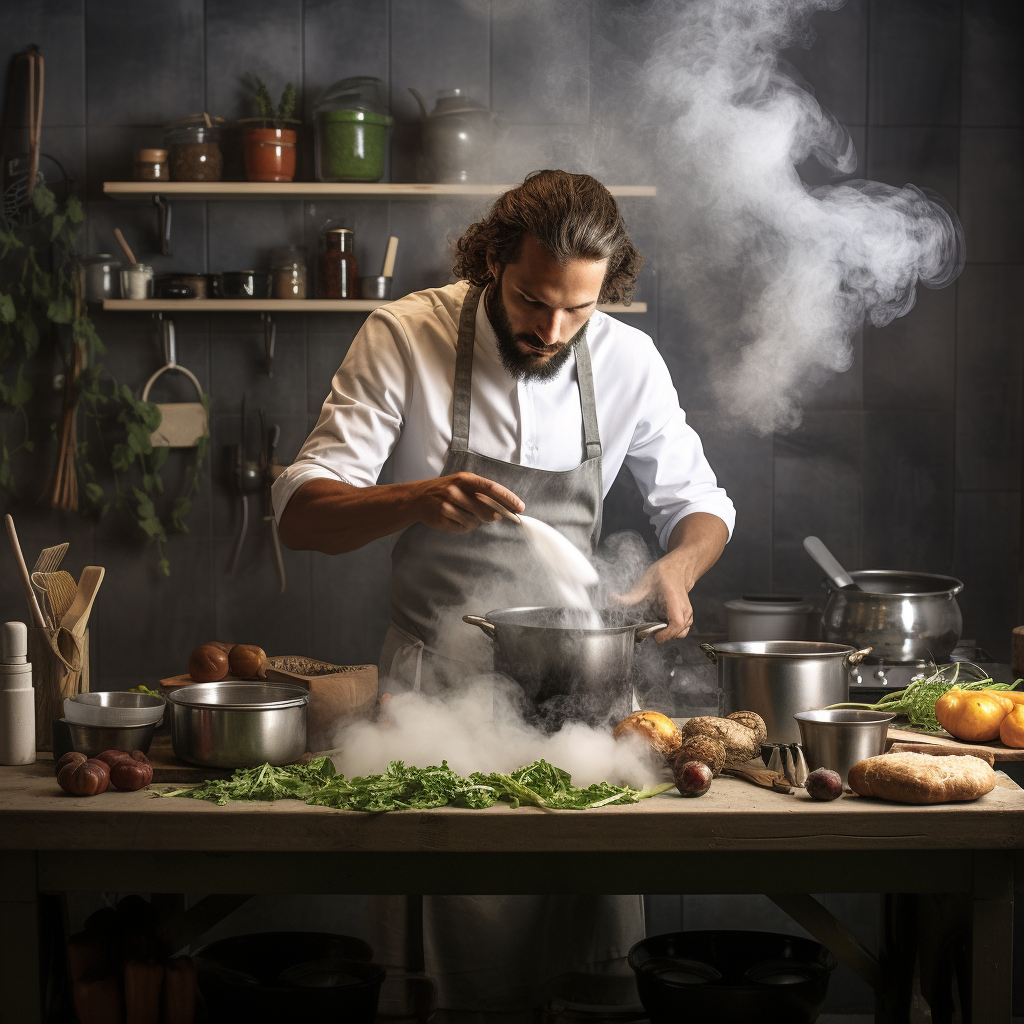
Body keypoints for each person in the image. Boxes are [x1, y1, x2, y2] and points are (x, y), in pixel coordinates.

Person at [273, 169, 735, 1011]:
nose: (551, 329)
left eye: (578, 309)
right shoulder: (405, 336)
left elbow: (702, 504)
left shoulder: (627, 360)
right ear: (490, 260)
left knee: (586, 971)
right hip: (434, 708)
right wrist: (412, 497)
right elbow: (302, 513)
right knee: (444, 983)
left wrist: (681, 564)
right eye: (531, 300)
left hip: (585, 711)